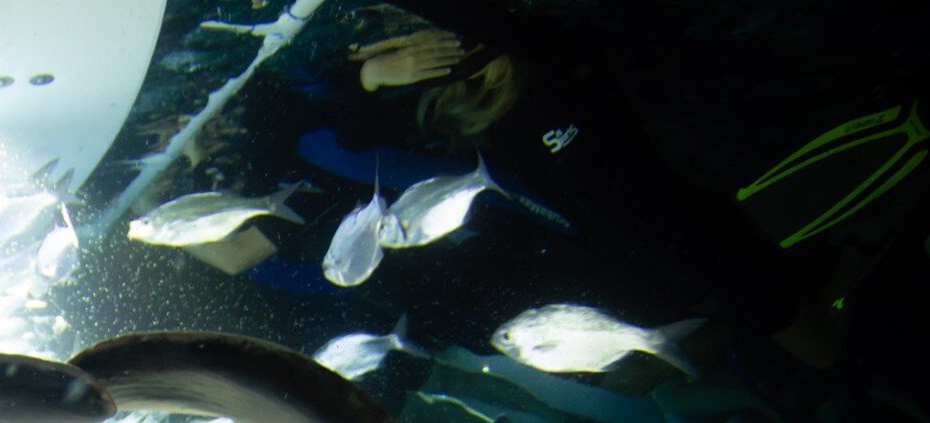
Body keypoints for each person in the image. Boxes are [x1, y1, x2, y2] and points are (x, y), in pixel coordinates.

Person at [314, 4, 846, 370]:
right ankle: (801, 289)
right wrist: (374, 76)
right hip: (618, 253)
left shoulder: (552, 60)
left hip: (690, 229)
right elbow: (353, 133)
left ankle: (845, 260)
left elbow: (521, 32)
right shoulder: (450, 95)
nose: (405, 38)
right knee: (645, 370)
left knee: (819, 348)